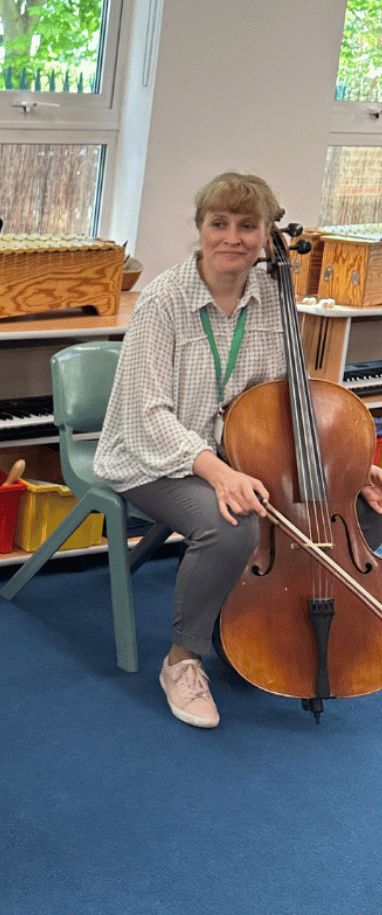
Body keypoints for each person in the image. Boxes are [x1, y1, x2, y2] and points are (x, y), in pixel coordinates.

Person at [94, 171, 382, 730]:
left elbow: (283, 401)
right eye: (219, 223)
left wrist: (350, 468)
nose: (233, 237)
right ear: (200, 229)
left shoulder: (273, 299)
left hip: (240, 454)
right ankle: (182, 660)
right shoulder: (163, 302)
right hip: (153, 456)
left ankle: (272, 611)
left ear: (265, 235)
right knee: (230, 526)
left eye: (248, 226)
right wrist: (218, 474)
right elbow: (148, 416)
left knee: (360, 507)